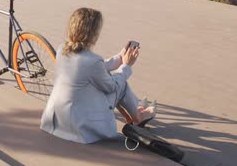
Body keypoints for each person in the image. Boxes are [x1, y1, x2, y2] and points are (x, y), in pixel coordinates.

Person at [40, 8, 156, 144]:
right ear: (94, 34)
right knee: (120, 82)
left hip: (56, 120)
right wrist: (127, 65)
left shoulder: (62, 49)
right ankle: (138, 116)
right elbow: (111, 87)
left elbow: (90, 69)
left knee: (117, 76)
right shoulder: (92, 61)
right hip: (80, 126)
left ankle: (137, 113)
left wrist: (120, 58)